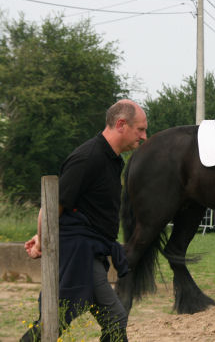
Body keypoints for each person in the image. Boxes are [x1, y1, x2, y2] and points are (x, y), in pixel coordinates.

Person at [20, 99, 148, 342]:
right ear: (121, 124)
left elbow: (71, 209)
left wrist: (40, 236)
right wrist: (41, 242)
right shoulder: (89, 157)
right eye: (140, 129)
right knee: (98, 318)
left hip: (90, 251)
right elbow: (50, 207)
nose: (143, 136)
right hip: (79, 253)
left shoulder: (111, 158)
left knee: (64, 321)